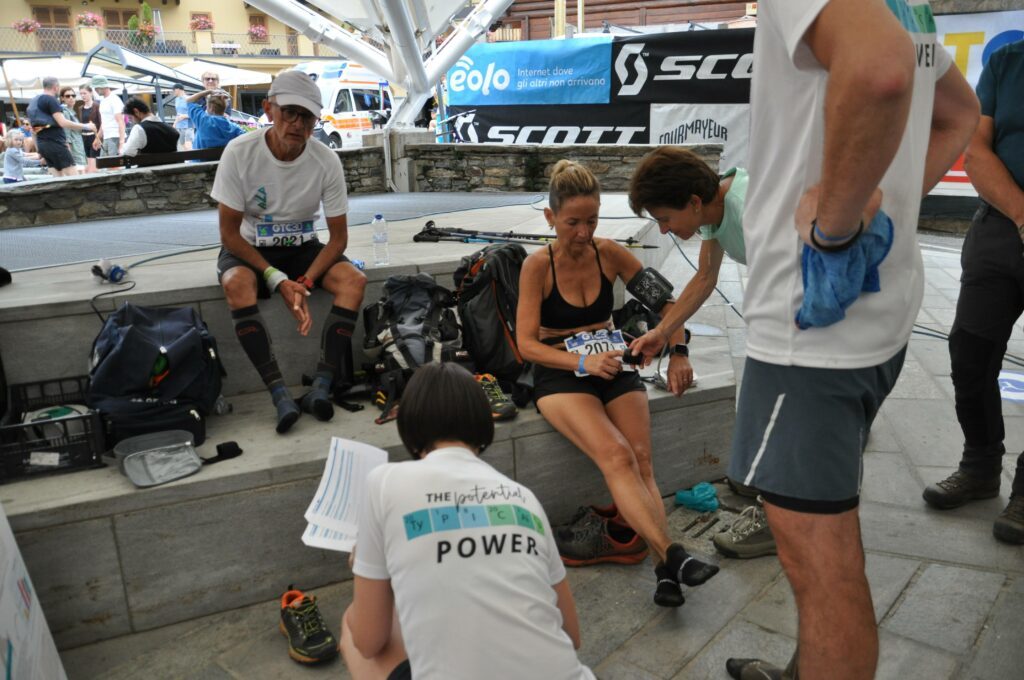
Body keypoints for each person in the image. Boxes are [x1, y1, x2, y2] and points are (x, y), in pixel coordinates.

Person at [720, 1, 979, 679]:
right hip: (876, 317)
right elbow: (959, 113)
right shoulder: (905, 4)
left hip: (809, 333)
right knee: (825, 534)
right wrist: (888, 204)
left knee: (821, 567)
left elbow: (880, 71)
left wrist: (834, 233)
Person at [516, 159, 718, 608]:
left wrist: (679, 352)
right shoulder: (537, 267)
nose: (583, 232)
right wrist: (580, 363)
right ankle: (673, 556)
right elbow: (526, 344)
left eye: (591, 220)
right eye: (572, 223)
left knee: (642, 460)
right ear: (550, 217)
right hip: (561, 372)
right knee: (615, 454)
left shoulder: (609, 253)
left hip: (612, 363)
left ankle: (665, 572)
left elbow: (669, 306)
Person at [340, 362, 594, 680]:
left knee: (353, 625)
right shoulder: (523, 497)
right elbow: (571, 636)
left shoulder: (384, 482)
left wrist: (366, 566)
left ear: (408, 425)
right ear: (483, 422)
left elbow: (369, 641)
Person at [210, 69, 365, 433]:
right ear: (269, 109)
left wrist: (305, 281)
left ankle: (321, 387)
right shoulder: (239, 152)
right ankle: (279, 394)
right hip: (249, 248)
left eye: (307, 117)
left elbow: (338, 239)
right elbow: (229, 234)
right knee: (236, 284)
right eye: (289, 112)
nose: (298, 124)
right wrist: (278, 280)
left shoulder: (326, 160)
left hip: (303, 248)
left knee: (354, 281)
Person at [922, 38, 1024, 545]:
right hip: (1002, 223)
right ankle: (980, 466)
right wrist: (1022, 215)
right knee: (970, 351)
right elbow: (977, 147)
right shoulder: (1008, 61)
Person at [26, 77, 93, 177]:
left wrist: (39, 150)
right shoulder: (51, 99)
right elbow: (62, 122)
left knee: (57, 179)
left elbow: (33, 130)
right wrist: (86, 126)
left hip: (42, 144)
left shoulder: (33, 102)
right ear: (56, 87)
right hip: (56, 143)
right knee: (74, 178)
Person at [92, 76, 125, 158]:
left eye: (97, 87)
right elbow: (104, 122)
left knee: (113, 164)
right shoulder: (103, 100)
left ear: (103, 86)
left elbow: (121, 121)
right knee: (104, 163)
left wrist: (122, 143)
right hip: (107, 137)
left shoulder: (114, 99)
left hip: (115, 136)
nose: (95, 90)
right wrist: (97, 138)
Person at [58, 86, 85, 173]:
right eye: (67, 96)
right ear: (62, 98)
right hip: (74, 149)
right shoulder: (65, 112)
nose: (71, 98)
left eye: (73, 95)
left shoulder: (71, 111)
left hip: (78, 146)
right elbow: (66, 134)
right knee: (79, 173)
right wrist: (69, 153)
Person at [76, 85, 101, 173]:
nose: (83, 95)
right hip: (84, 138)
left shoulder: (97, 106)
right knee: (87, 165)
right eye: (81, 94)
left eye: (85, 93)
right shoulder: (80, 108)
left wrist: (98, 138)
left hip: (94, 137)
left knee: (93, 166)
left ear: (91, 93)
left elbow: (101, 123)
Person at [172, 83, 194, 151]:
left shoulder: (189, 99)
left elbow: (194, 113)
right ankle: (189, 155)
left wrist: (185, 116)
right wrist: (175, 123)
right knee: (182, 143)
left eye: (174, 90)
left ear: (178, 89)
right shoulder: (177, 100)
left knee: (188, 143)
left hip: (188, 125)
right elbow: (178, 113)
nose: (173, 92)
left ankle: (191, 156)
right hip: (179, 125)